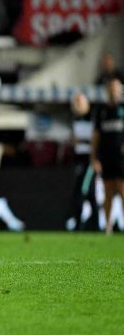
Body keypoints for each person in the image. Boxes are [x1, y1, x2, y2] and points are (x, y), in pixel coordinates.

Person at [90, 78, 124, 235]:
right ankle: (107, 225)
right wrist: (94, 157)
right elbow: (96, 136)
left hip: (121, 158)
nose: (114, 92)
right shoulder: (101, 111)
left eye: (116, 89)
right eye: (111, 89)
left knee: (122, 189)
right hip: (106, 157)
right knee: (108, 190)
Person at [68, 92, 99, 231]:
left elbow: (95, 140)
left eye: (80, 102)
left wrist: (94, 158)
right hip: (78, 159)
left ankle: (80, 224)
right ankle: (95, 225)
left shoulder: (93, 118)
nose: (77, 105)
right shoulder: (75, 119)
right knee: (90, 194)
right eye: (76, 102)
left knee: (82, 192)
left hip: (89, 160)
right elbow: (74, 139)